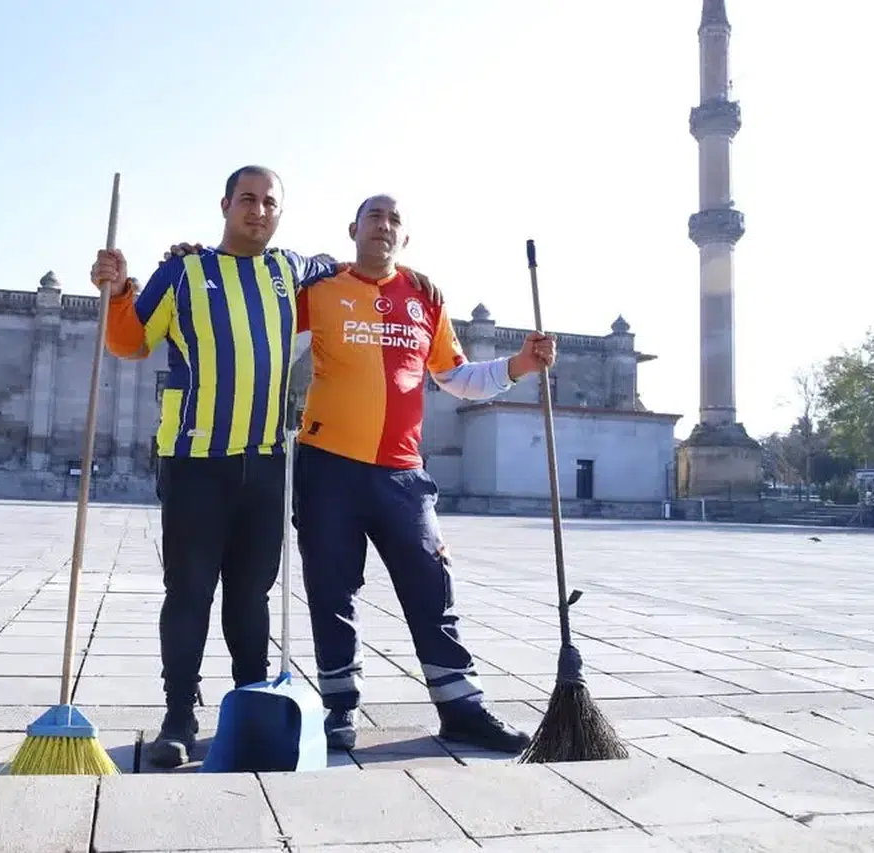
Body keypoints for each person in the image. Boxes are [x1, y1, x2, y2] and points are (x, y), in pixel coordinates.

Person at [89, 166, 440, 769]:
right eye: (246, 200)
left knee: (252, 595)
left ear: (280, 213)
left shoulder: (293, 271)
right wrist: (120, 291)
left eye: (269, 202)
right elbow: (128, 342)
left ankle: (248, 704)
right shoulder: (183, 271)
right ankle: (179, 715)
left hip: (266, 463)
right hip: (196, 458)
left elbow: (352, 264)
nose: (257, 210)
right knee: (190, 590)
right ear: (224, 204)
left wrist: (409, 277)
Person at [291, 194, 557, 753]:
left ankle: (461, 708)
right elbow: (265, 342)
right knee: (331, 587)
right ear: (353, 228)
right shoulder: (319, 290)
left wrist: (520, 365)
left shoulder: (424, 297)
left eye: (394, 220)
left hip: (403, 473)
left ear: (403, 237)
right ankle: (339, 709)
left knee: (432, 585)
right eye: (373, 217)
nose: (383, 226)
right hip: (328, 466)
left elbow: (457, 377)